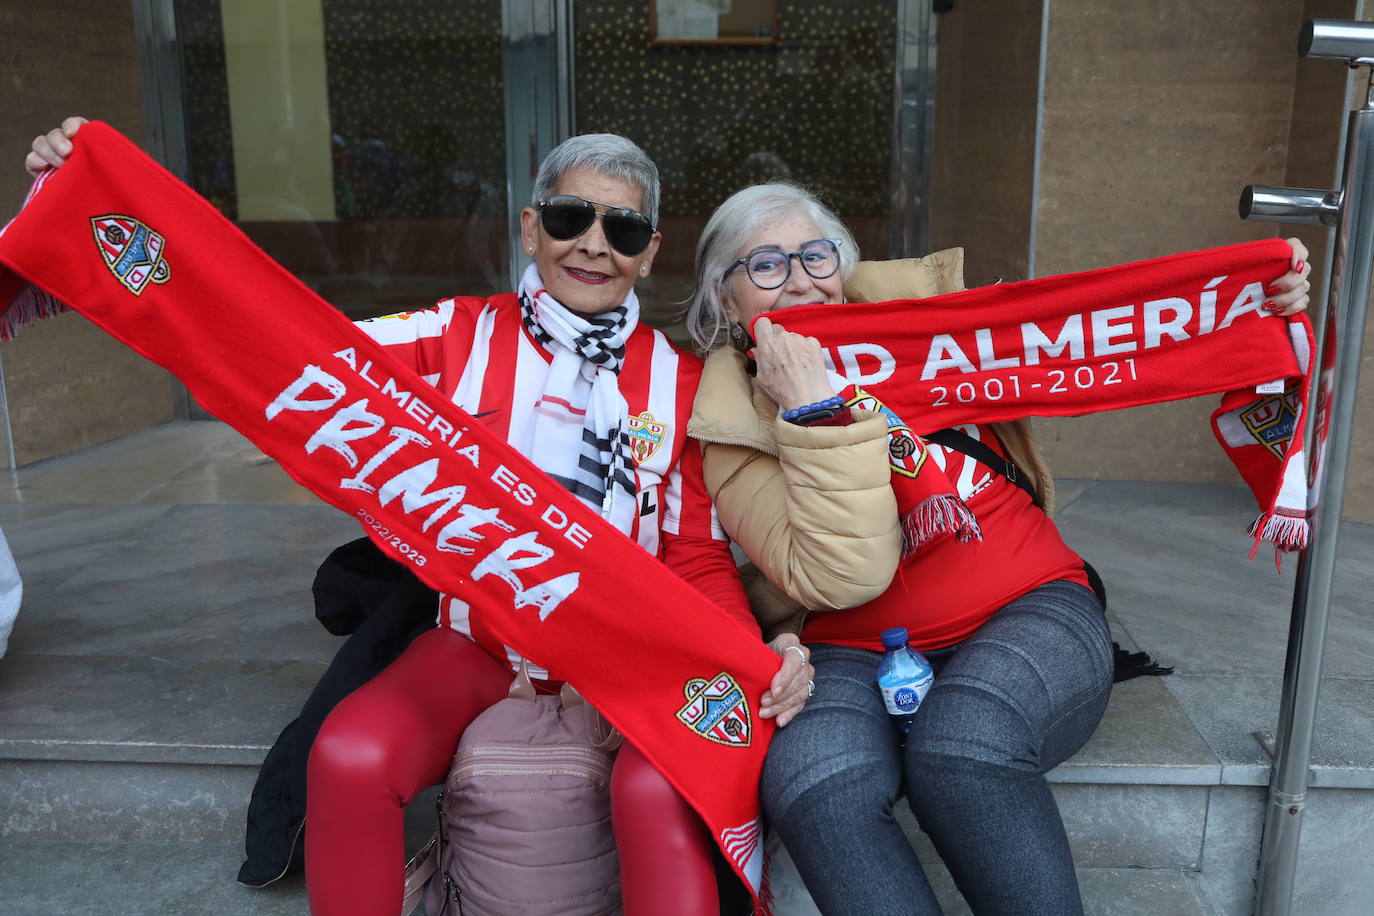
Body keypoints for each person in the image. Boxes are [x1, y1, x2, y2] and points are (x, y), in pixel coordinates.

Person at [24, 119, 815, 915]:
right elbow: (286, 351)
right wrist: (84, 199)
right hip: (476, 641)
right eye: (572, 218)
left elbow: (695, 558)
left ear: (649, 251)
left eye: (625, 227)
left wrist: (742, 655)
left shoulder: (681, 384)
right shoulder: (455, 336)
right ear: (533, 228)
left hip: (626, 656)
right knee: (351, 751)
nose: (593, 245)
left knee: (665, 785)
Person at [683, 182, 1310, 914]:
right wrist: (814, 410)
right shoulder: (727, 423)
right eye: (764, 265)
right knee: (814, 783)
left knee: (962, 750)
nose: (797, 279)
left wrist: (1247, 298)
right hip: (849, 647)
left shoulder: (933, 326)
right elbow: (845, 573)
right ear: (727, 302)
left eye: (814, 255)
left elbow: (1115, 321)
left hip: (1032, 605)